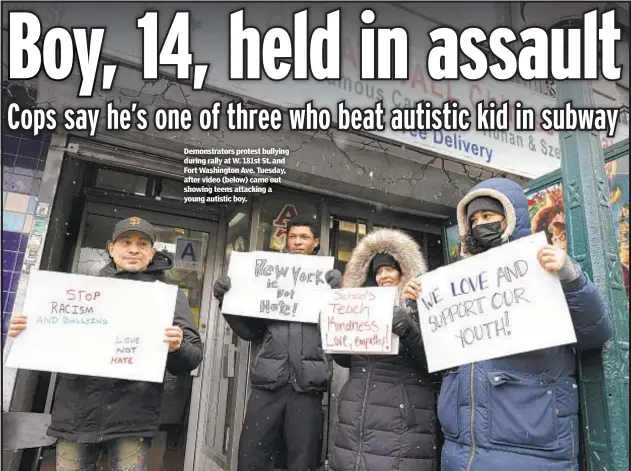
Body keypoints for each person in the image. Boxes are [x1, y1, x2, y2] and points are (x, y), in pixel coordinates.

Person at [432, 178, 613, 471]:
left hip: (529, 445)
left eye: (489, 216)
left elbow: (594, 333)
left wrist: (570, 278)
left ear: (510, 218)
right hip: (461, 450)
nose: (480, 225)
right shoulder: (457, 283)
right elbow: (441, 355)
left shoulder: (541, 267)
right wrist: (423, 306)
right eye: (474, 219)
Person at [7, 216, 203, 471]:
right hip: (76, 412)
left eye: (142, 244)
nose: (134, 249)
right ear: (112, 248)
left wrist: (178, 347)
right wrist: (26, 332)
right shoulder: (78, 290)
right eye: (126, 242)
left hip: (132, 417)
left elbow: (192, 357)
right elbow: (52, 341)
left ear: (152, 251)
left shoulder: (167, 297)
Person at [212, 216, 342, 471]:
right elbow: (249, 331)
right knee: (252, 455)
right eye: (292, 237)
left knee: (301, 460)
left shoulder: (328, 281)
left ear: (315, 242)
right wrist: (226, 302)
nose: (297, 242)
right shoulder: (268, 279)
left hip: (307, 386)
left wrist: (341, 292)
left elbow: (342, 327)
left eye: (304, 237)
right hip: (269, 384)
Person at [327, 228, 440, 471]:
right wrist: (331, 327)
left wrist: (407, 327)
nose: (384, 276)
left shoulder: (425, 302)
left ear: (404, 271)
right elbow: (347, 360)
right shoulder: (362, 310)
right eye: (378, 271)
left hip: (400, 417)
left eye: (390, 269)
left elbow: (436, 364)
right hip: (357, 413)